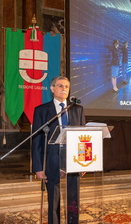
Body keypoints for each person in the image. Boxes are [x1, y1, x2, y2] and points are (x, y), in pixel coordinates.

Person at [32, 76, 85, 224]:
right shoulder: (42, 110)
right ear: (53, 89)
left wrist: (83, 162)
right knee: (53, 199)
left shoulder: (77, 110)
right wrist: (38, 167)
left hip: (73, 159)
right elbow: (36, 140)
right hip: (51, 159)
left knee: (73, 198)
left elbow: (82, 137)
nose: (64, 89)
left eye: (66, 87)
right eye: (60, 86)